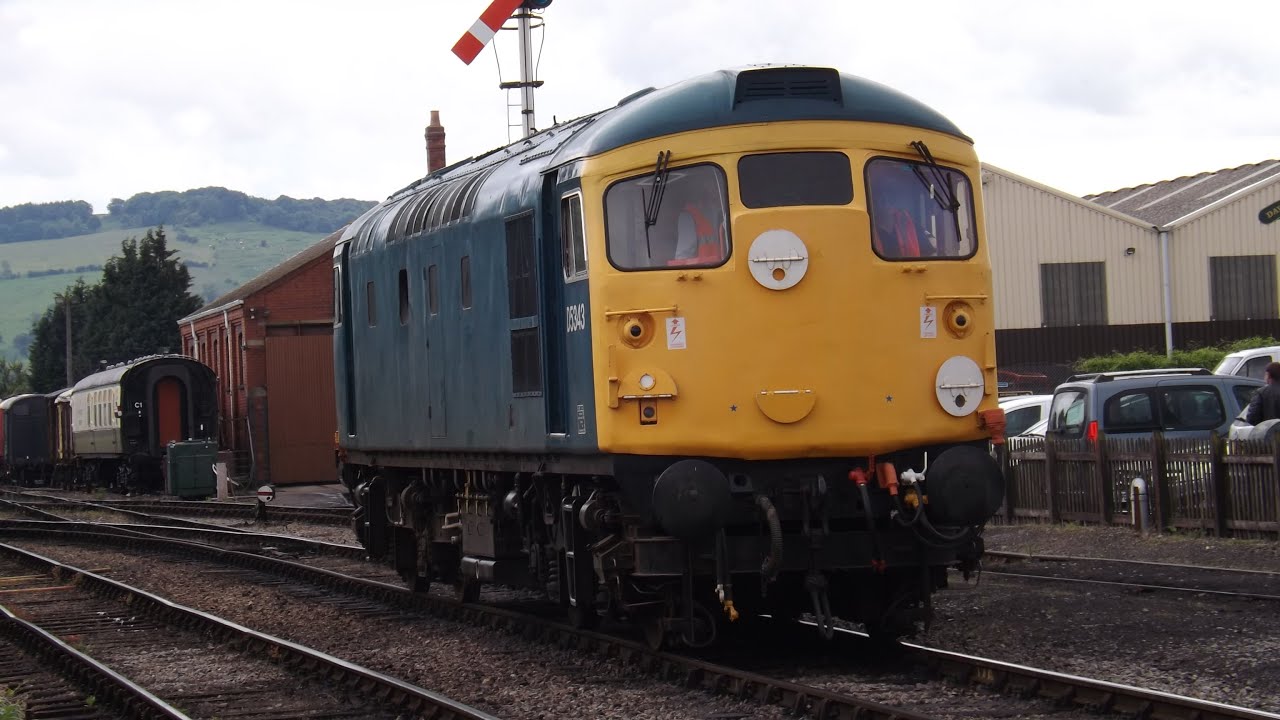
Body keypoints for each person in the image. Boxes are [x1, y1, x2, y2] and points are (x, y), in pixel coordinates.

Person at [669, 185, 725, 266]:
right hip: (719, 266)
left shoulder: (687, 216)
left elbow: (684, 255)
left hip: (701, 271)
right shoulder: (718, 212)